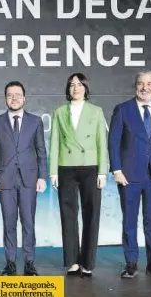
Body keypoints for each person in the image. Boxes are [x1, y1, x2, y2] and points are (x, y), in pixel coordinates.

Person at [108, 70, 151, 279]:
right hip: (128, 175)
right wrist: (117, 170)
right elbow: (113, 143)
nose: (144, 88)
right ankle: (131, 263)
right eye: (140, 83)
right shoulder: (122, 110)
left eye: (149, 84)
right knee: (129, 220)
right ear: (135, 86)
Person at [49, 73, 108, 277]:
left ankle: (88, 262)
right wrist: (53, 171)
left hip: (90, 167)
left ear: (85, 88)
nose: (75, 88)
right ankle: (72, 261)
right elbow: (54, 141)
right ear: (68, 89)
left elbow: (102, 142)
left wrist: (103, 170)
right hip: (66, 167)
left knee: (92, 215)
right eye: (72, 85)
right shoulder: (59, 111)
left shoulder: (96, 111)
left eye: (79, 84)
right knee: (68, 215)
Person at [0, 81, 48, 276]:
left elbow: (41, 151)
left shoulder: (35, 121)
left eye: (18, 94)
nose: (14, 98)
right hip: (4, 180)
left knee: (28, 223)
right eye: (10, 95)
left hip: (29, 179)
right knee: (9, 223)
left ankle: (29, 262)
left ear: (24, 98)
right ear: (5, 98)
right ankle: (10, 263)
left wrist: (42, 176)